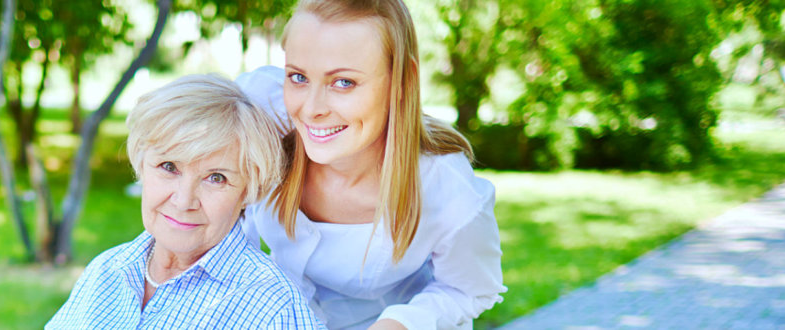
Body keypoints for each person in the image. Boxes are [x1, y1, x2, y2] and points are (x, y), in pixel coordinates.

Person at [235, 0, 506, 329]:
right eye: (298, 77)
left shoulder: (447, 189)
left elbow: (469, 290)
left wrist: (402, 322)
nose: (311, 108)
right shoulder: (259, 112)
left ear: (401, 80)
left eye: (344, 82)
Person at [47, 75, 325, 329]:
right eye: (169, 167)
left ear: (248, 191)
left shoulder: (272, 308)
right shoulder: (106, 271)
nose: (183, 201)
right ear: (142, 166)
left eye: (216, 178)